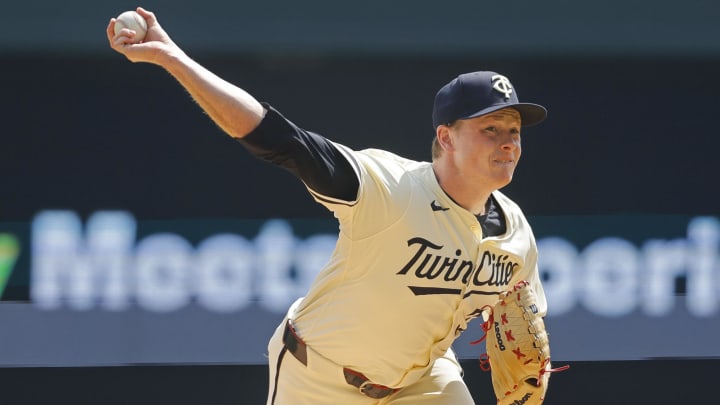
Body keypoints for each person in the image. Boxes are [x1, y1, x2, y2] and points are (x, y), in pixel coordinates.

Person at [107, 7, 551, 405]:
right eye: (490, 128)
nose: (508, 142)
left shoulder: (516, 232)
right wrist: (173, 59)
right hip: (319, 378)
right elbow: (278, 139)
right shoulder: (389, 188)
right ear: (446, 137)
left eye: (514, 130)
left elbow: (524, 327)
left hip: (422, 383)